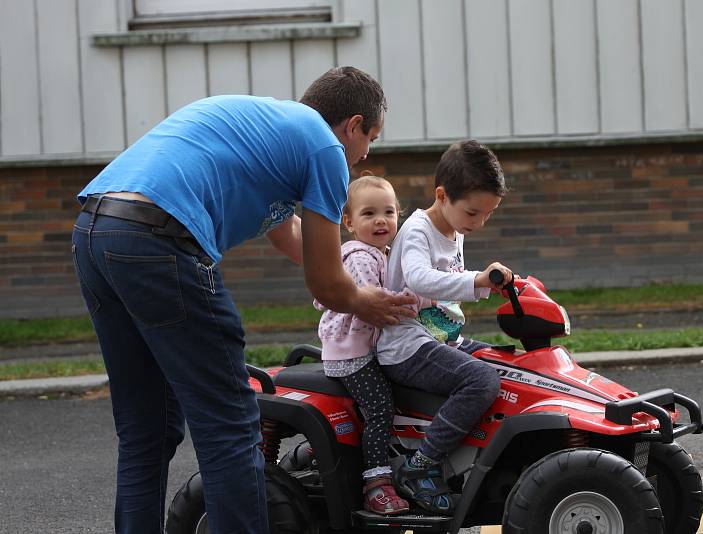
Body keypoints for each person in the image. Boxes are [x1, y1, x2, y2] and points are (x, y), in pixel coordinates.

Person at [70, 66, 416, 534]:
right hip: (156, 239)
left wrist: (366, 266)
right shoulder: (325, 148)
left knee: (145, 429)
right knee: (231, 425)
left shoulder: (268, 130)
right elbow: (327, 286)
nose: (365, 154)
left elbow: (290, 236)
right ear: (353, 125)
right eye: (370, 138)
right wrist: (366, 301)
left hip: (95, 230)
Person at [377, 139, 512, 515]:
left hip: (440, 338)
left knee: (508, 364)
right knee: (482, 380)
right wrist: (477, 281)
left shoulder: (457, 229)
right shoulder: (418, 230)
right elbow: (421, 279)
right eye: (473, 213)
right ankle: (422, 464)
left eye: (488, 214)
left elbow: (450, 292)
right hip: (405, 344)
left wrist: (492, 285)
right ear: (442, 195)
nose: (479, 222)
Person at [315, 175, 414, 515]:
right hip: (352, 354)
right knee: (382, 408)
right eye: (369, 213)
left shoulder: (382, 253)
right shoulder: (359, 256)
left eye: (388, 212)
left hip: (361, 348)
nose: (381, 220)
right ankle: (377, 484)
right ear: (349, 222)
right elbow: (377, 302)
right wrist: (413, 302)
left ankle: (311, 453)